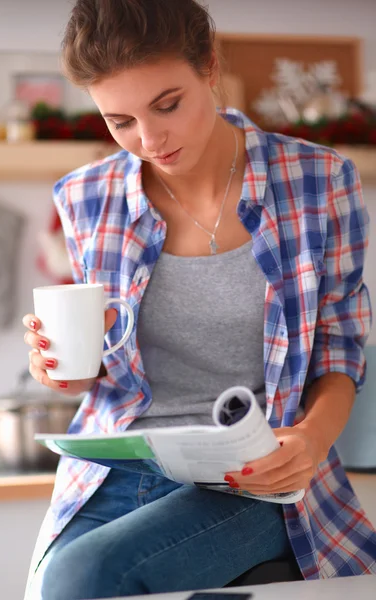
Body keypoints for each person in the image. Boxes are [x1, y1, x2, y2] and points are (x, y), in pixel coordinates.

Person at [23, 1, 376, 599]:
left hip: (251, 473)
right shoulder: (86, 196)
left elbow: (340, 353)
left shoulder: (318, 180)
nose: (150, 138)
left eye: (168, 104)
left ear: (209, 68)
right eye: (120, 120)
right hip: (115, 465)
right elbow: (102, 369)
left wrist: (312, 440)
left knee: (79, 579)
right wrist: (60, 371)